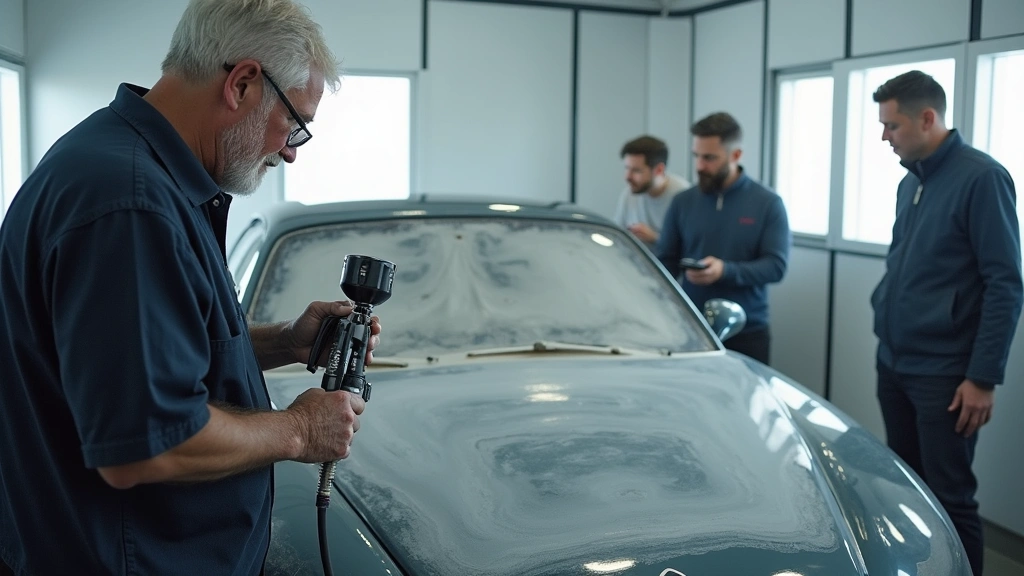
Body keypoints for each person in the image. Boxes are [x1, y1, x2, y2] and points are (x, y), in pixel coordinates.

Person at [0, 1, 383, 574]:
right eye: (296, 124)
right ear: (244, 83)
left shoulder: (128, 168)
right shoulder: (130, 205)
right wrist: (300, 431)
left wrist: (282, 342)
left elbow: (133, 359)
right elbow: (144, 443)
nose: (291, 151)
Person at [869, 70, 1022, 576]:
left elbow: (1005, 283)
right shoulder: (909, 182)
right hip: (894, 362)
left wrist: (982, 377)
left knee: (950, 499)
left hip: (946, 376)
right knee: (906, 490)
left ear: (927, 118)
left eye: (891, 125)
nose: (884, 136)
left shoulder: (982, 178)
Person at [655, 112, 790, 365]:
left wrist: (725, 271)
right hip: (691, 330)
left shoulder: (767, 203)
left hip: (747, 332)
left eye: (709, 158)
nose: (700, 166)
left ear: (736, 155)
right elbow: (666, 262)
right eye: (697, 156)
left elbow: (776, 267)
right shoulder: (683, 202)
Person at [614, 135, 691, 249]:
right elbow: (617, 238)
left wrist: (655, 238)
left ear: (659, 170)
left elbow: (691, 248)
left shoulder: (683, 196)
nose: (627, 177)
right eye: (626, 168)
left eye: (636, 170)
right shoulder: (629, 193)